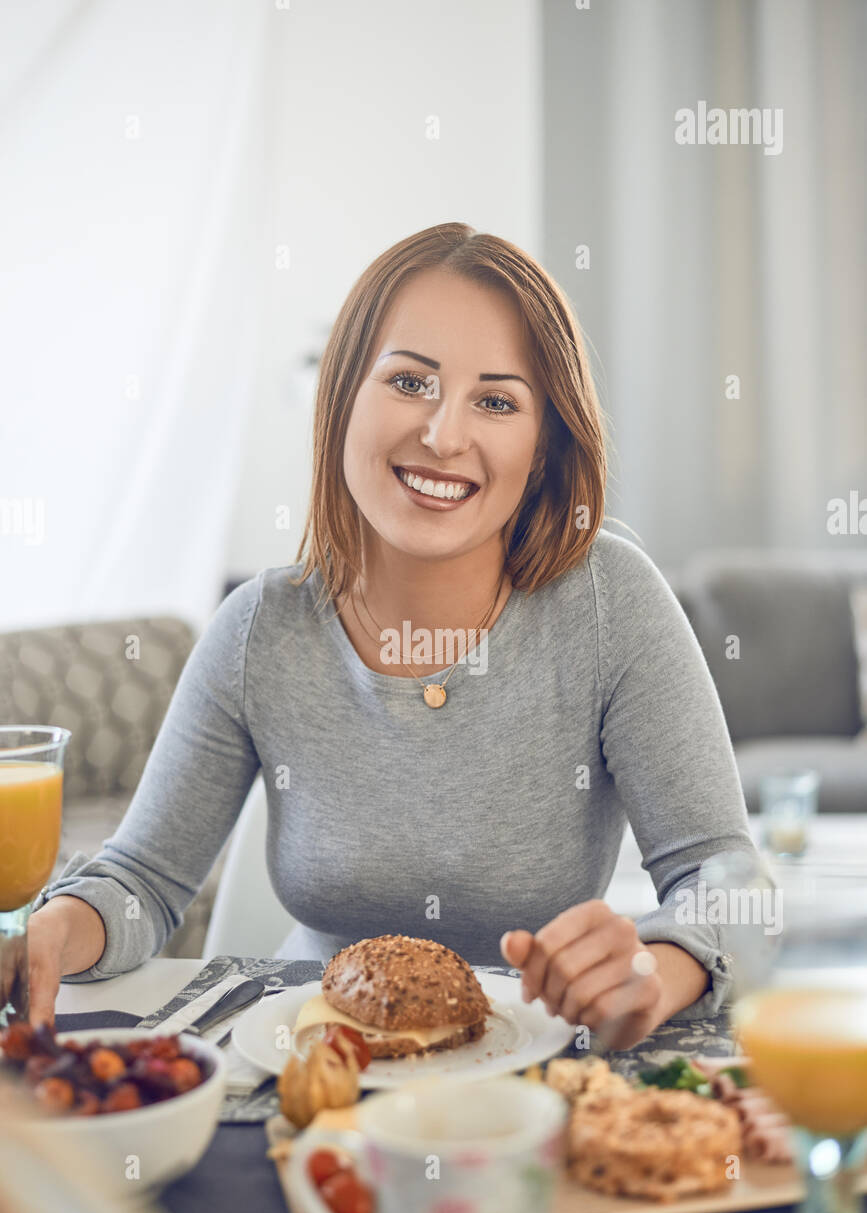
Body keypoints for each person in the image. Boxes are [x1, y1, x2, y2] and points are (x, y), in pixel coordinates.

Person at [27, 221, 759, 1049]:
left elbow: (726, 881)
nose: (445, 436)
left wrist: (655, 972)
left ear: (544, 447)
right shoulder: (257, 632)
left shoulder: (610, 603)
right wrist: (55, 928)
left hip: (535, 1065)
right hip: (309, 1065)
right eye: (409, 382)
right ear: (341, 396)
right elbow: (143, 882)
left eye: (495, 400)